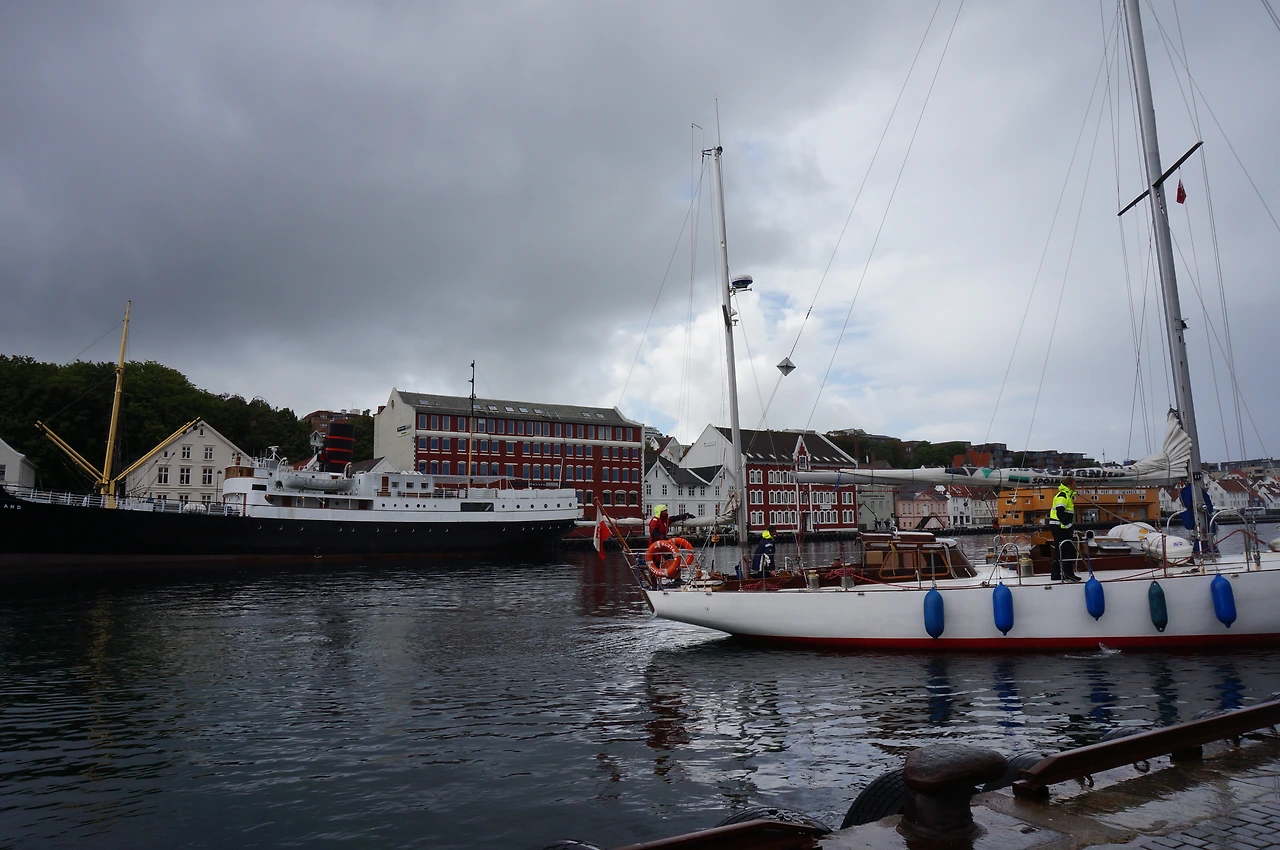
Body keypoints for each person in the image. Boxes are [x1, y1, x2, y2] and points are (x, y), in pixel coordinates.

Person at [1049, 475, 1081, 582]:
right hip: (1059, 527)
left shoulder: (1066, 495)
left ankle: (1056, 574)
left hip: (1059, 526)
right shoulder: (1062, 496)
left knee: (1061, 550)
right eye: (1074, 484)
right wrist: (1068, 526)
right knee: (1068, 550)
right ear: (1069, 485)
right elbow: (1060, 513)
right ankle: (1068, 574)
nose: (1076, 486)